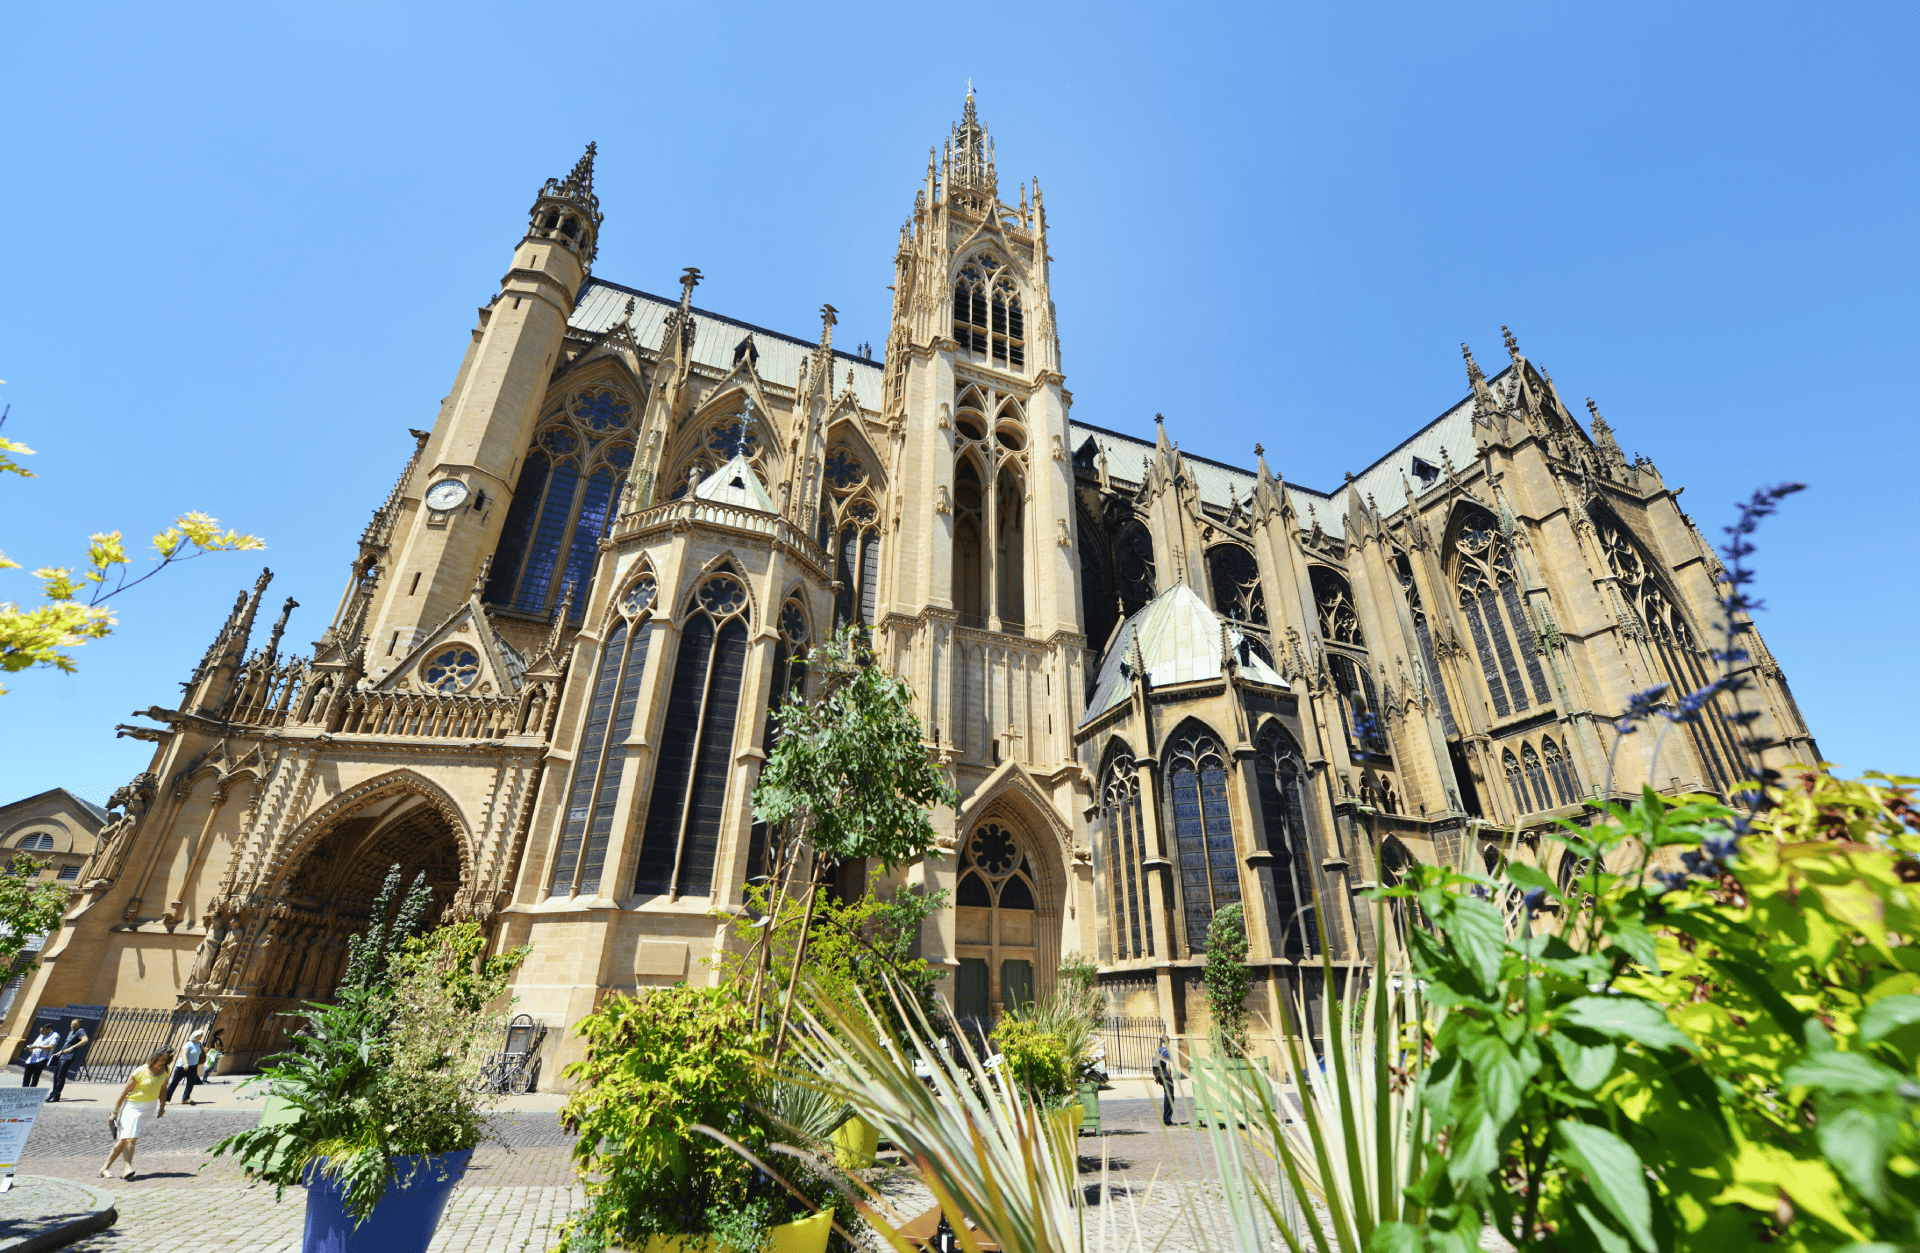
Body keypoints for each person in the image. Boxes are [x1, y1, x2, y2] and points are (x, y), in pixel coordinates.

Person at [100, 1049, 171, 1181]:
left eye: (165, 1060)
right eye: (159, 1059)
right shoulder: (140, 1071)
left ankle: (104, 1168)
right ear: (154, 1057)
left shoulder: (166, 1070)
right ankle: (127, 1168)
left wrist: (162, 1106)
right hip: (132, 1107)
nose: (161, 1062)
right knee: (131, 1138)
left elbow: (163, 1088)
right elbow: (124, 1092)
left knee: (124, 1140)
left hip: (148, 1108)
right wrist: (115, 1112)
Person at [46, 1018, 89, 1103]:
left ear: (79, 1024)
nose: (73, 1025)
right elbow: (67, 1044)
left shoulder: (80, 1031)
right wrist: (59, 1052)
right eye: (72, 1023)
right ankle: (53, 1094)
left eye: (75, 1024)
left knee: (60, 1076)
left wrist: (71, 1048)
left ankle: (56, 1096)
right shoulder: (71, 1032)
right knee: (56, 1076)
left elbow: (85, 1040)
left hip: (69, 1056)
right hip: (62, 1055)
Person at [165, 1028, 207, 1105]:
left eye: (201, 1036)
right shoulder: (188, 1044)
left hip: (193, 1066)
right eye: (199, 1036)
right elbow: (183, 1054)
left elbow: (202, 1052)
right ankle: (166, 1099)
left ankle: (186, 1098)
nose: (200, 1037)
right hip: (182, 1067)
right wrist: (185, 1064)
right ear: (195, 1036)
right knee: (174, 1083)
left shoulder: (199, 1044)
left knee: (190, 1083)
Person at [1153, 1034, 1177, 1126]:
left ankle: (1166, 1118)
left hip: (1159, 1076)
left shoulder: (1158, 1051)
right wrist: (1170, 1076)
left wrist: (1156, 1077)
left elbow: (1155, 1064)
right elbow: (1168, 1066)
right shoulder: (1167, 1052)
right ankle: (1167, 1120)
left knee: (1167, 1095)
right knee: (1170, 1096)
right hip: (1166, 1076)